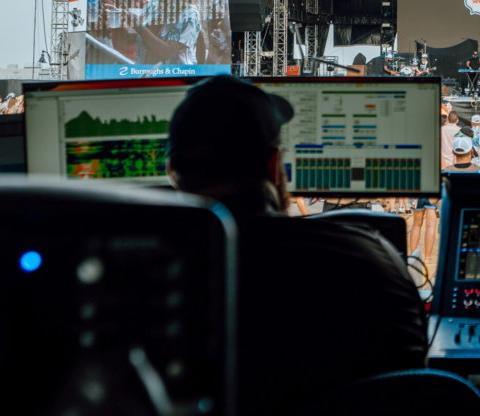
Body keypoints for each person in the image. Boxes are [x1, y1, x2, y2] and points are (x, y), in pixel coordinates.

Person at [164, 75, 427, 415]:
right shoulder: (371, 260)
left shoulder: (141, 287)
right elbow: (417, 383)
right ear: (274, 166)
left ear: (172, 171)